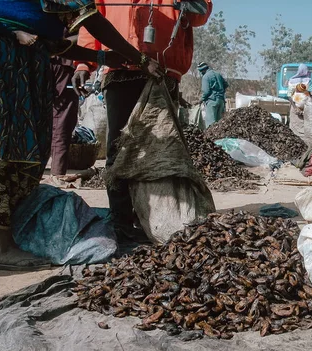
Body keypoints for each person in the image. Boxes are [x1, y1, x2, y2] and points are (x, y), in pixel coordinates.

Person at [0, 0, 163, 271]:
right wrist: (140, 59)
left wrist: (100, 58)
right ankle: (4, 246)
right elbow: (93, 20)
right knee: (0, 146)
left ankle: (12, 233)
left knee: (27, 148)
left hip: (19, 52)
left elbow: (48, 41)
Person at [72, 0, 213, 245]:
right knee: (119, 151)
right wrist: (85, 63)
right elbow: (92, 18)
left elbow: (200, 14)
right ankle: (122, 223)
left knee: (163, 150)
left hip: (163, 73)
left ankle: (157, 219)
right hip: (120, 71)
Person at [49, 33, 79, 186]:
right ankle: (57, 173)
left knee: (59, 118)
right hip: (61, 61)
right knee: (62, 118)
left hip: (43, 57)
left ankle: (55, 172)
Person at [198, 62, 228, 127]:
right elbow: (226, 85)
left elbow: (206, 91)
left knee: (211, 125)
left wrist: (201, 100)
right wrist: (221, 92)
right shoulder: (218, 74)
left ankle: (211, 137)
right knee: (219, 125)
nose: (201, 73)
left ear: (203, 70)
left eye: (201, 71)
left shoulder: (206, 77)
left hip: (212, 102)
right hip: (221, 101)